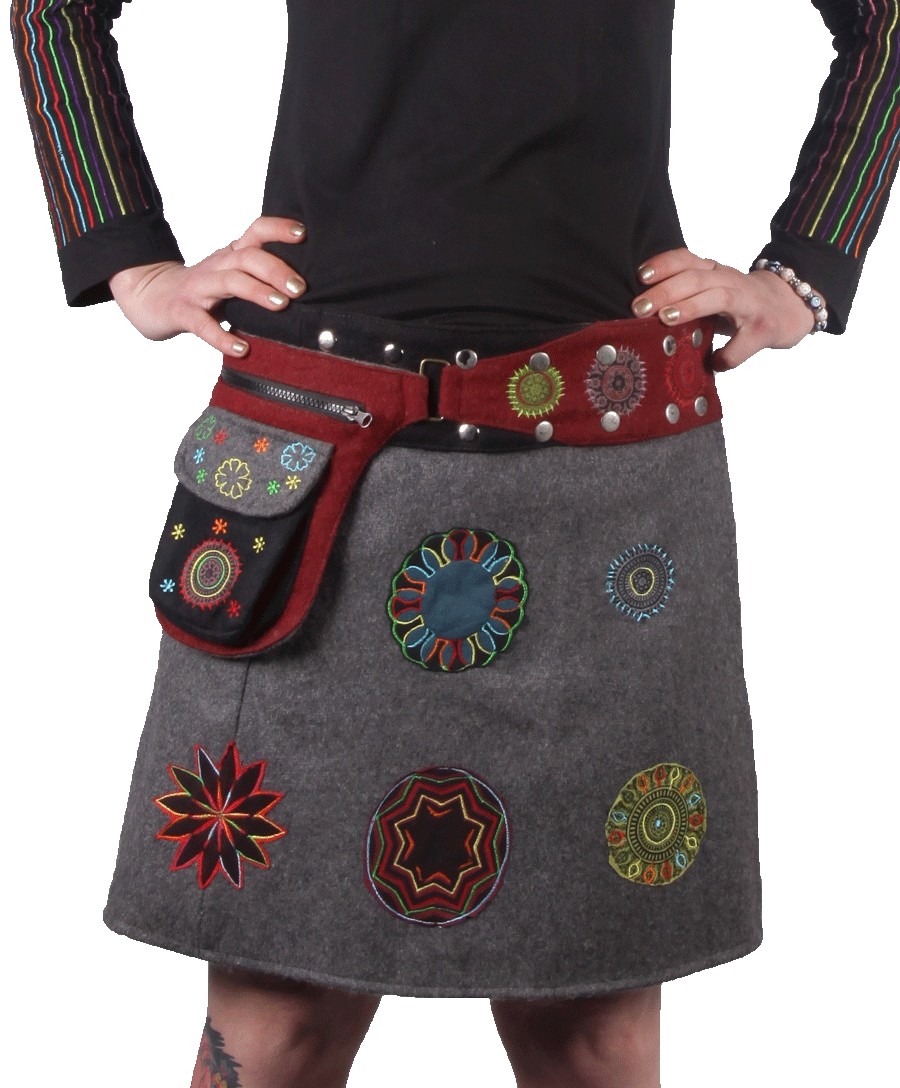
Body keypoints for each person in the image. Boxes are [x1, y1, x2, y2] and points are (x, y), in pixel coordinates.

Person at [9, 2, 898, 1087]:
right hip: (322, 461)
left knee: (592, 1033)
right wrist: (128, 257)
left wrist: (802, 274)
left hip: (605, 473)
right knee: (278, 1025)